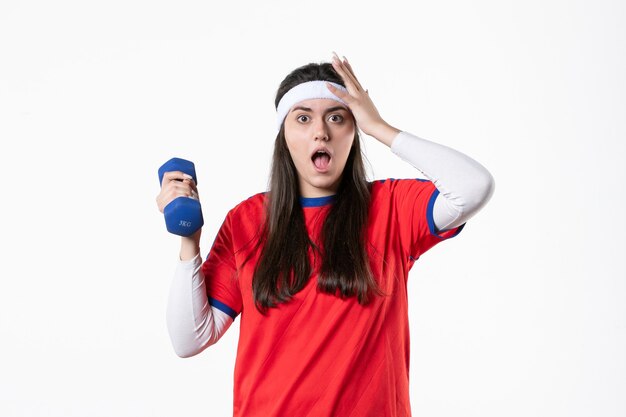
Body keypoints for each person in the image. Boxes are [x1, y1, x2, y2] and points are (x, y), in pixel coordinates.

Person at [156, 52, 495, 417]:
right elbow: (190, 339)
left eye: (337, 117)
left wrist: (379, 127)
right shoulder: (248, 220)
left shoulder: (392, 208)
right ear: (283, 136)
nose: (321, 131)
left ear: (354, 131)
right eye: (303, 118)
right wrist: (189, 242)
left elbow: (473, 187)